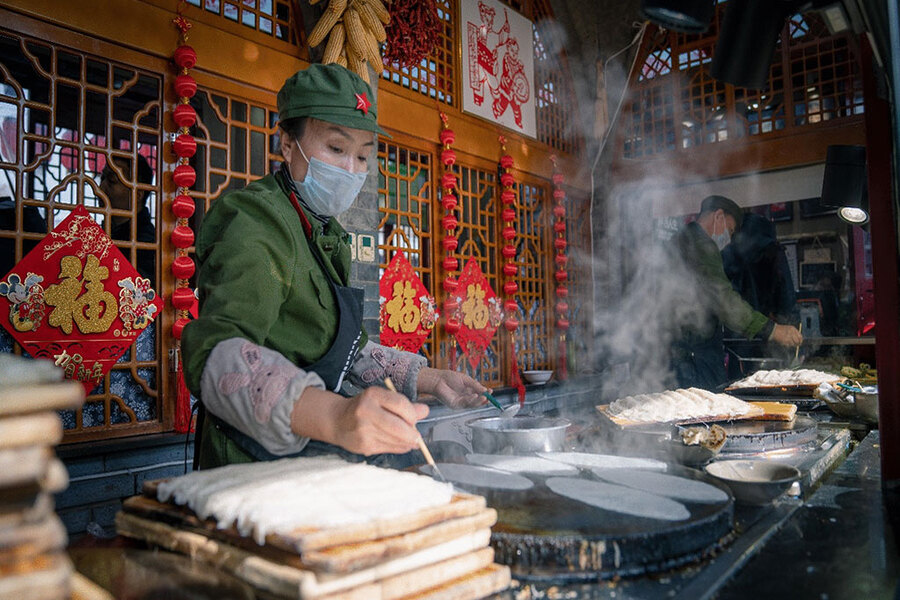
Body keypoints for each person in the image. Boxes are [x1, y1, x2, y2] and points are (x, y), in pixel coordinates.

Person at [182, 64, 487, 470]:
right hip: (251, 465)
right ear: (287, 144)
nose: (350, 170)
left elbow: (343, 351)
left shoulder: (327, 235)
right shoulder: (258, 221)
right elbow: (217, 352)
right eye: (336, 149)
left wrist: (432, 379)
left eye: (362, 155)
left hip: (314, 457)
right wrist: (336, 415)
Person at [670, 195, 803, 389]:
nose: (729, 239)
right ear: (719, 216)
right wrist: (771, 330)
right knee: (704, 405)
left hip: (680, 354)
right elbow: (723, 299)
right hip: (693, 358)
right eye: (730, 230)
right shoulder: (700, 245)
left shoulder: (680, 239)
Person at [100, 154, 156, 285]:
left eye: (112, 181)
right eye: (102, 178)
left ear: (138, 194)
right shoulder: (104, 232)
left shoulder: (147, 244)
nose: (101, 187)